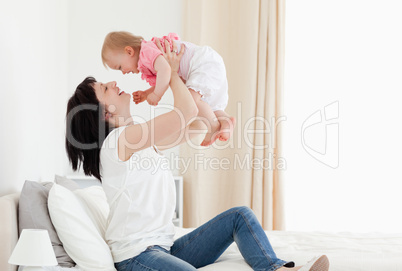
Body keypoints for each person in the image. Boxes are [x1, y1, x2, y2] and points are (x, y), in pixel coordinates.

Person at [65, 40, 329, 271]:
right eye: (105, 88)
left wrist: (217, 123)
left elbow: (193, 126)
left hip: (165, 248)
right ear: (104, 114)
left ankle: (276, 270)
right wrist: (172, 71)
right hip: (136, 257)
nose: (113, 82)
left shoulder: (137, 138)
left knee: (240, 216)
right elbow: (187, 112)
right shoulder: (118, 142)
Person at [101, 31, 236, 147]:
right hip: (206, 63)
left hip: (201, 63)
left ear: (129, 51)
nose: (123, 72)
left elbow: (166, 69)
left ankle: (213, 127)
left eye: (119, 67)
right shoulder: (148, 56)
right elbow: (163, 78)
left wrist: (156, 95)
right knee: (211, 107)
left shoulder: (146, 52)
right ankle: (225, 120)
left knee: (191, 101)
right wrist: (147, 93)